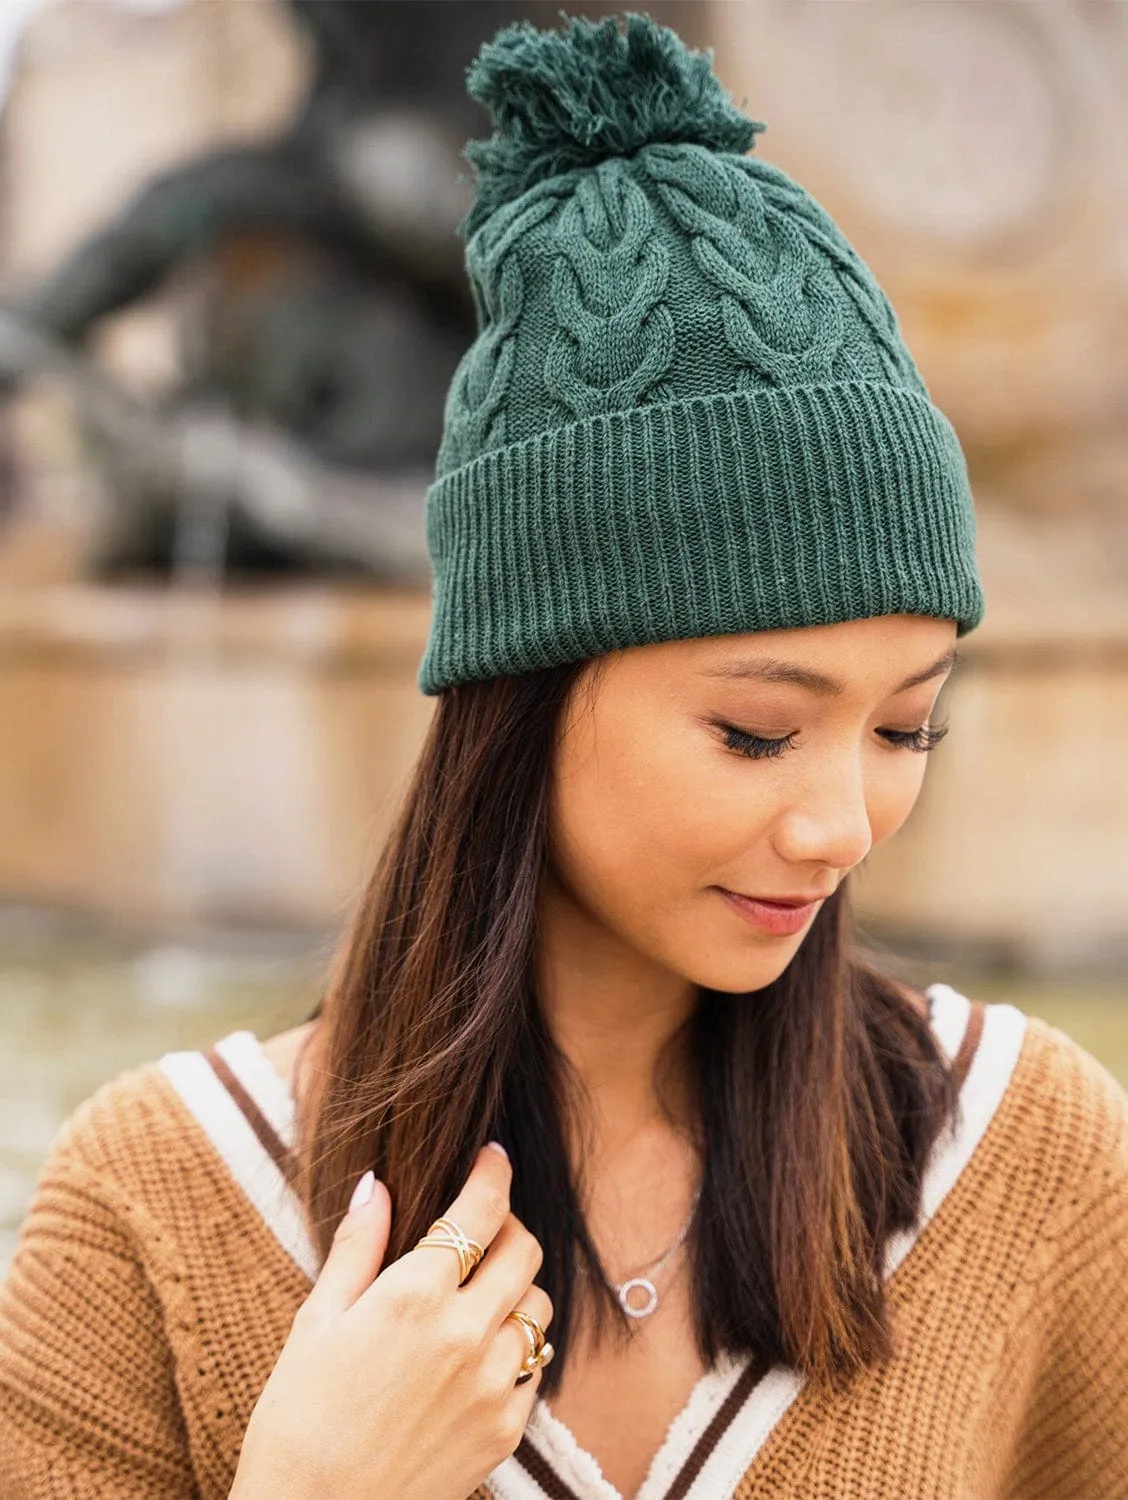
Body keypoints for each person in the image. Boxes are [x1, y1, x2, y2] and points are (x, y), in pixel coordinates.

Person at [2, 11, 1126, 1499]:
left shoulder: (1026, 1159)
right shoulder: (156, 1206)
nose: (845, 822)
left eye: (908, 723)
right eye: (759, 731)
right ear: (523, 689)